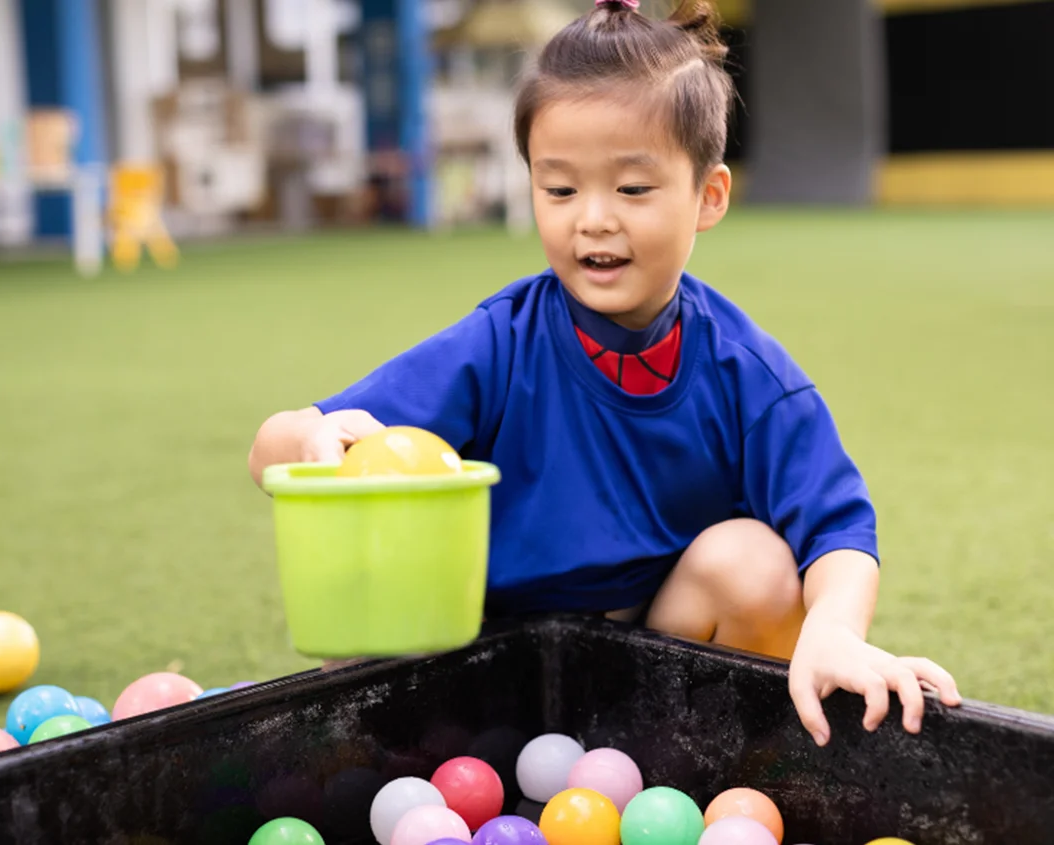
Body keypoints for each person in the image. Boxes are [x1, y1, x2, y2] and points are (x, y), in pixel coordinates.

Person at [248, 0, 961, 746]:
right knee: (373, 599)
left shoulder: (745, 373)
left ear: (708, 196)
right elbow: (276, 447)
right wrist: (310, 435)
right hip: (485, 661)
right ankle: (401, 753)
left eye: (632, 189)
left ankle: (701, 758)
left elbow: (837, 526)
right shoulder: (500, 343)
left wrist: (837, 630)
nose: (593, 218)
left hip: (647, 668)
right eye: (559, 190)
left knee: (754, 561)